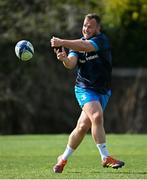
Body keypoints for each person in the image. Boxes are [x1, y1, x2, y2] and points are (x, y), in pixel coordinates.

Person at [50, 13, 125, 173]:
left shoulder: (101, 41)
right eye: (84, 25)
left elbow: (86, 46)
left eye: (90, 26)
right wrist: (64, 58)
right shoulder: (76, 45)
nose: (86, 28)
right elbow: (71, 64)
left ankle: (62, 159)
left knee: (82, 126)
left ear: (98, 28)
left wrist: (62, 41)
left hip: (103, 91)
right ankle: (105, 157)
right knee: (97, 116)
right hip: (84, 88)